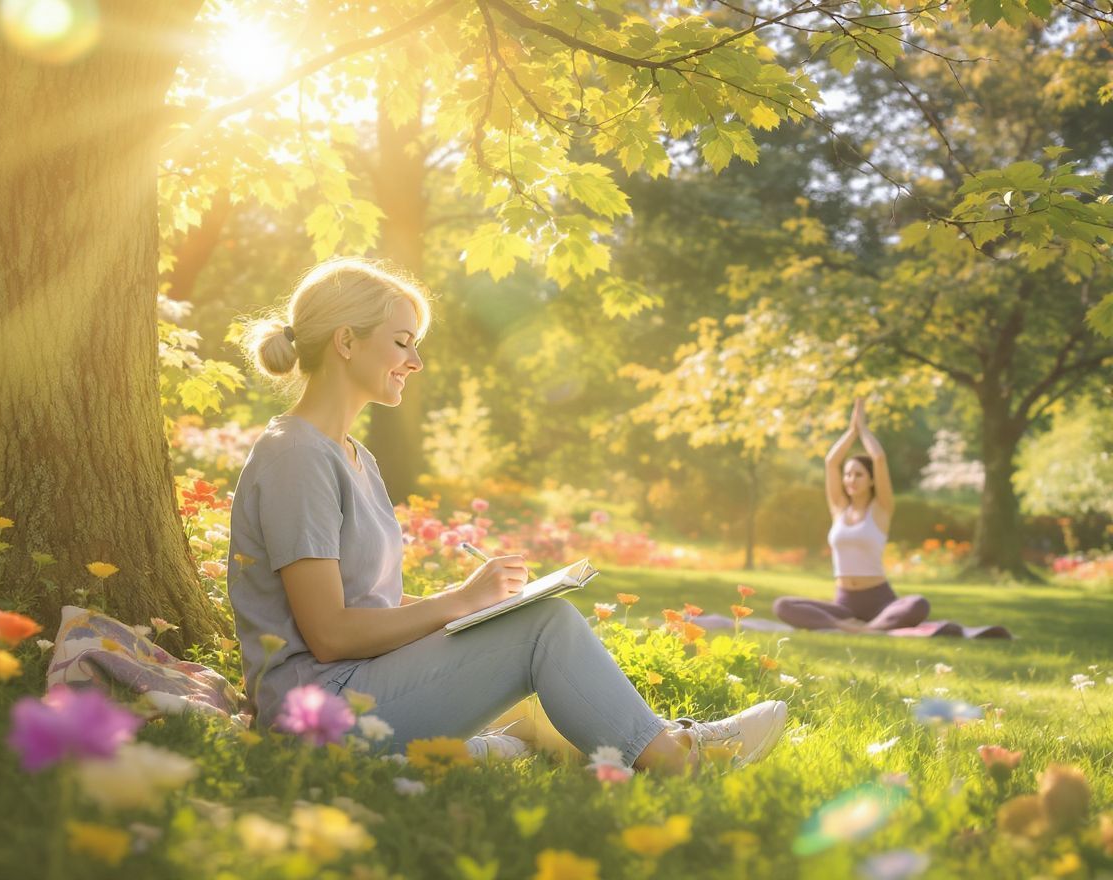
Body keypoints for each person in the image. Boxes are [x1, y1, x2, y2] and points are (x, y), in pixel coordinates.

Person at [227, 258, 786, 774]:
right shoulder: (295, 456)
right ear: (346, 341)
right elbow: (328, 633)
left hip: (355, 685)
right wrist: (461, 602)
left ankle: (665, 739)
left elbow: (358, 601)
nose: (416, 362)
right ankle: (682, 761)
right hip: (316, 714)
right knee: (546, 626)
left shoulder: (352, 455)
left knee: (534, 661)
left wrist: (471, 607)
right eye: (402, 343)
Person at [773, 398, 930, 633]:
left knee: (918, 603)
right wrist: (850, 432)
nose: (850, 480)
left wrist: (863, 430)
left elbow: (878, 459)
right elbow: (830, 462)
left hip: (880, 601)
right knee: (783, 605)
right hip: (844, 603)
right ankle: (843, 626)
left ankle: (871, 628)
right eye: (847, 475)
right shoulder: (838, 508)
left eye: (858, 475)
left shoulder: (881, 509)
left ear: (871, 480)